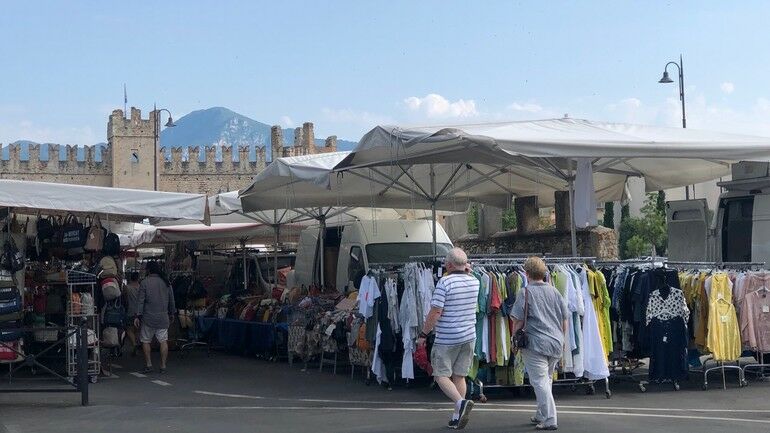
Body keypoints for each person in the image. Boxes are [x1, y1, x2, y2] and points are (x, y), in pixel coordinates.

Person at [416, 248, 479, 430]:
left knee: (440, 375)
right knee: (459, 376)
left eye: (445, 262)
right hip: (468, 335)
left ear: (449, 264)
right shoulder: (474, 281)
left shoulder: (445, 282)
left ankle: (461, 403)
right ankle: (457, 416)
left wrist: (423, 335)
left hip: (448, 337)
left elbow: (436, 311)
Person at [510, 257, 569, 431]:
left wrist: (514, 338)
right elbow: (565, 318)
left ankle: (550, 419)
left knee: (539, 381)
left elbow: (517, 319)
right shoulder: (554, 291)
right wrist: (562, 338)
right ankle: (541, 414)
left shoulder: (525, 292)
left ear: (526, 273)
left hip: (536, 342)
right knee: (547, 379)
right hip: (555, 341)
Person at [134, 262, 176, 374]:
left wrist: (137, 315)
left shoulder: (144, 283)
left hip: (148, 317)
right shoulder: (167, 282)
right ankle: (163, 365)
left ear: (148, 270)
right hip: (163, 316)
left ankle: (149, 364)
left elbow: (141, 301)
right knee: (163, 341)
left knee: (146, 340)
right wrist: (172, 313)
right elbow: (172, 300)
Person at [124, 271, 141, 355]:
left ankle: (134, 343)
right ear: (138, 278)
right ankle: (137, 343)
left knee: (129, 329)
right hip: (140, 311)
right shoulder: (141, 287)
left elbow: (125, 299)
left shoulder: (127, 287)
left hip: (130, 310)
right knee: (138, 329)